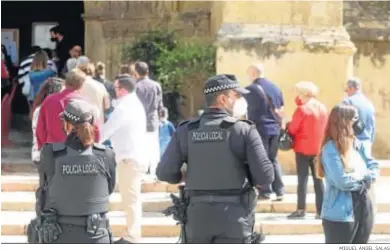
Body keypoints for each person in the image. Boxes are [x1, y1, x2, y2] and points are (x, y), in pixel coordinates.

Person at [156, 74, 274, 243]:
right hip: (235, 219)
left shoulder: (185, 130)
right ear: (223, 99)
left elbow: (164, 173)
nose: (238, 101)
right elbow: (266, 176)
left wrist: (185, 173)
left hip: (197, 219)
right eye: (236, 96)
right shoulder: (243, 130)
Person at [27, 99, 116, 244]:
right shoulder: (106, 154)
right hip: (97, 235)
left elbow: (44, 188)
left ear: (66, 124)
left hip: (58, 235)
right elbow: (109, 189)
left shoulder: (50, 152)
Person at [318, 105, 379, 243]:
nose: (359, 122)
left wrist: (366, 176)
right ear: (344, 121)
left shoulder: (357, 144)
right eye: (355, 118)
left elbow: (373, 165)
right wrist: (365, 178)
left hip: (364, 208)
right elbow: (343, 181)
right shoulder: (330, 149)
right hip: (341, 214)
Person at [100, 74, 148, 243]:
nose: (114, 91)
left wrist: (90, 143)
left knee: (131, 199)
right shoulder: (131, 104)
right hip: (131, 157)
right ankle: (132, 233)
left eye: (116, 88)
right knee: (130, 198)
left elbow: (107, 129)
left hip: (129, 159)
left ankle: (132, 236)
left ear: (123, 90)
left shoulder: (125, 108)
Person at [286, 81, 327, 219]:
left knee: (302, 180)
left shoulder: (302, 109)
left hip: (302, 148)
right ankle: (321, 210)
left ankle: (301, 209)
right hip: (318, 149)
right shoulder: (322, 108)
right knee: (318, 180)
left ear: (304, 94)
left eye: (299, 93)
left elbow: (292, 128)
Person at [245, 64, 285, 200]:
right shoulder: (275, 87)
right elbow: (281, 107)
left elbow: (243, 108)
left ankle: (265, 191)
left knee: (261, 159)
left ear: (253, 73)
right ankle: (279, 190)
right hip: (275, 128)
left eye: (249, 73)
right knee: (272, 159)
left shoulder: (250, 89)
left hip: (260, 128)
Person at [36, 68, 100, 149]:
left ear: (65, 82)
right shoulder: (87, 104)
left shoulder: (49, 100)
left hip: (53, 151)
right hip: (78, 152)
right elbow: (95, 131)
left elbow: (40, 129)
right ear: (81, 85)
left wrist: (43, 148)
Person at [134, 61, 164, 177]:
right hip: (153, 120)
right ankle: (154, 172)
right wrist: (161, 119)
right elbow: (160, 105)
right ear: (147, 71)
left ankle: (143, 172)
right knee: (153, 148)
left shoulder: (136, 87)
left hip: (138, 122)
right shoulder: (156, 85)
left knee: (140, 148)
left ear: (136, 72)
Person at [31, 77, 64, 166]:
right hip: (46, 153)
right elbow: (41, 133)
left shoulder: (39, 108)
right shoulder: (44, 109)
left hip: (42, 152)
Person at [77, 58, 110, 128]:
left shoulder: (77, 86)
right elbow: (107, 105)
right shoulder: (100, 86)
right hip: (98, 123)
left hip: (82, 125)